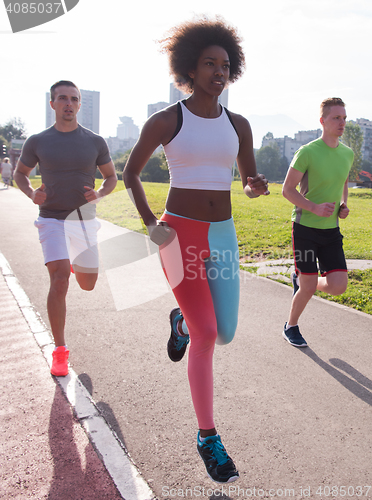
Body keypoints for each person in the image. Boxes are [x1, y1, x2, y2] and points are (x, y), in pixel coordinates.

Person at [124, 17, 269, 483]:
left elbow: (246, 181)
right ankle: (209, 437)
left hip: (223, 234)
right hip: (179, 235)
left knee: (223, 332)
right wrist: (151, 224)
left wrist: (255, 185)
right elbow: (130, 175)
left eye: (225, 65)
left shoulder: (239, 125)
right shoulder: (168, 119)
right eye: (209, 64)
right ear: (190, 68)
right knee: (209, 337)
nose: (218, 72)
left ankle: (181, 321)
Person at [14, 80, 117, 376]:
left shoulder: (95, 141)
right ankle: (59, 351)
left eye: (74, 99)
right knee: (60, 279)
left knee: (87, 283)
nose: (69, 103)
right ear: (53, 104)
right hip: (51, 218)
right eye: (63, 98)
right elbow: (21, 174)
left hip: (83, 220)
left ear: (80, 104)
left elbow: (111, 177)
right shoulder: (38, 141)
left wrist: (100, 193)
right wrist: (32, 193)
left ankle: (73, 264)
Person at [282, 97, 354, 348]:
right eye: (336, 118)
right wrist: (313, 207)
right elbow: (287, 190)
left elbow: (343, 184)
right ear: (322, 121)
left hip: (331, 231)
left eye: (344, 118)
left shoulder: (347, 153)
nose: (342, 122)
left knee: (338, 286)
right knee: (309, 285)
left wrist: (343, 205)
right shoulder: (307, 152)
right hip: (304, 229)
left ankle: (303, 282)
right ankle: (291, 326)